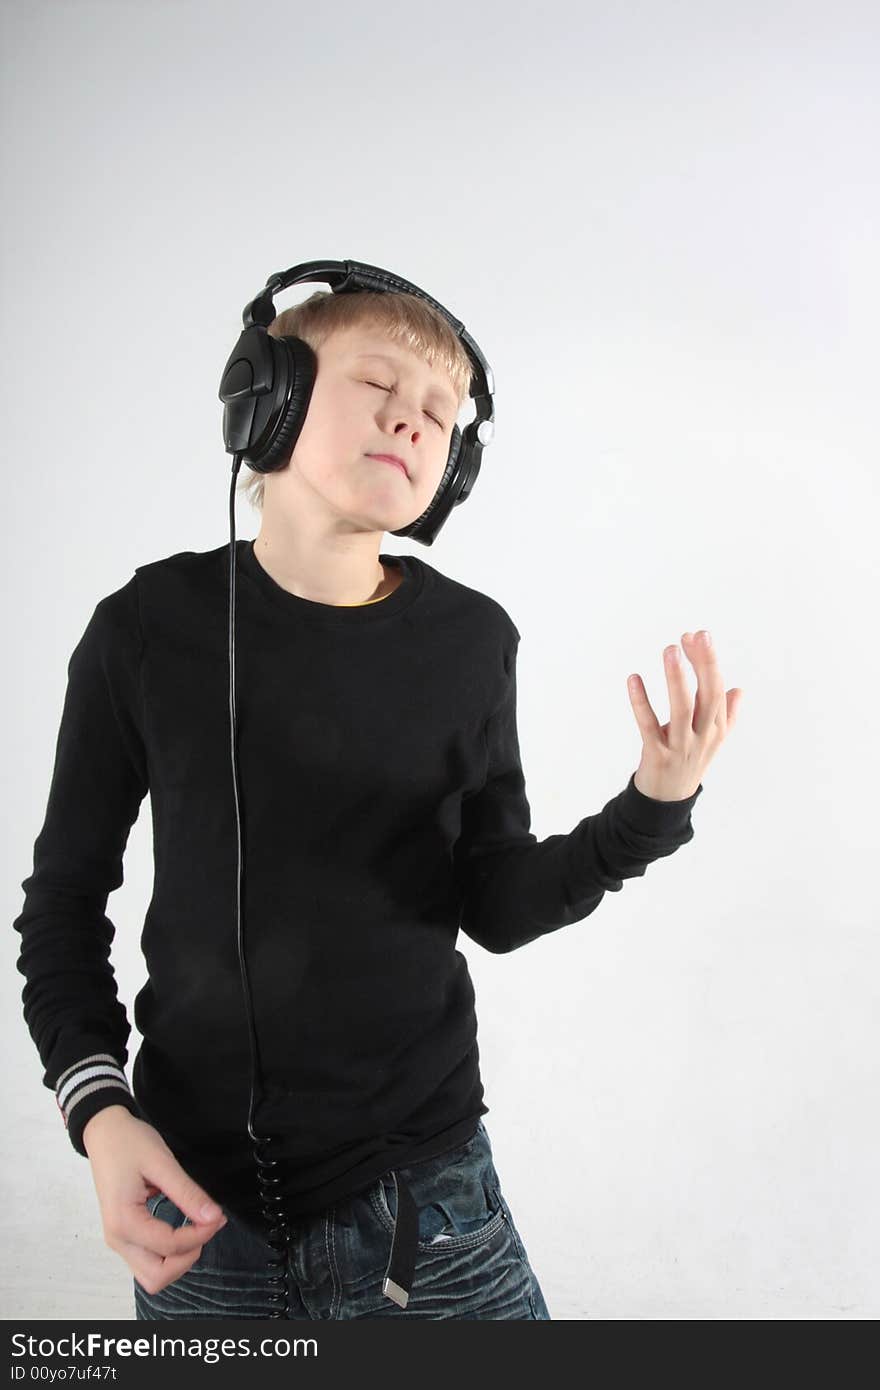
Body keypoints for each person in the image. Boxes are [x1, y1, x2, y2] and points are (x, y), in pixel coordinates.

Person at [13, 286, 741, 1320]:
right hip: (196, 1204)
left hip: (427, 1200)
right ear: (265, 401)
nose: (414, 416)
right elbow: (61, 909)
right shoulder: (144, 631)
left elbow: (492, 901)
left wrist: (650, 809)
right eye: (379, 384)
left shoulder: (473, 641)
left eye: (441, 413)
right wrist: (101, 1114)